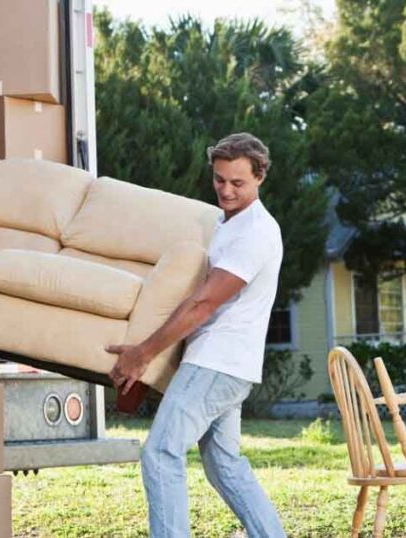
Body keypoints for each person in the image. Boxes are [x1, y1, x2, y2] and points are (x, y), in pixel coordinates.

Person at [107, 133, 286, 537]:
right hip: (223, 361)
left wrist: (144, 352)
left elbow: (204, 303)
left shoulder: (256, 232)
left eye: (237, 182)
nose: (226, 190)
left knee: (160, 453)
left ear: (260, 178)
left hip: (217, 362)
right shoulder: (228, 224)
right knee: (224, 464)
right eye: (219, 179)